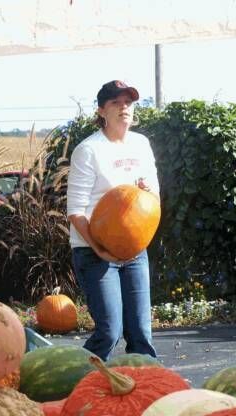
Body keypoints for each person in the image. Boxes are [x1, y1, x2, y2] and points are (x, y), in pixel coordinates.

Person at [66, 80, 159, 360]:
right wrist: (99, 249)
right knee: (110, 331)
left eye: (128, 103)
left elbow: (154, 197)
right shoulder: (89, 150)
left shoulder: (141, 144)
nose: (124, 108)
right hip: (94, 250)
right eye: (116, 103)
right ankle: (76, 381)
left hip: (134, 250)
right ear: (101, 111)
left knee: (141, 333)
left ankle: (149, 387)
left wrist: (146, 194)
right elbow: (76, 210)